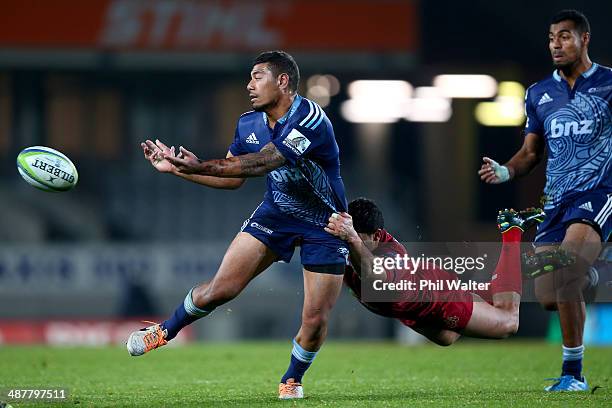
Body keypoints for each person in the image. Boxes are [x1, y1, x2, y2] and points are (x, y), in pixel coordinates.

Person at [126, 50, 349, 400]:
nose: (249, 85)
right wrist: (181, 169)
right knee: (220, 290)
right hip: (275, 214)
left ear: (283, 81)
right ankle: (164, 332)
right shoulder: (248, 123)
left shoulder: (309, 118)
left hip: (326, 223)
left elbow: (261, 163)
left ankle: (292, 378)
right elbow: (232, 179)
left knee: (315, 319)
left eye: (257, 76)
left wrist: (197, 165)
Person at [478, 10, 611, 391]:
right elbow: (531, 153)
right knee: (550, 296)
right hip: (555, 202)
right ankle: (590, 274)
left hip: (598, 195)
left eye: (565, 36)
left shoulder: (608, 85)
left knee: (566, 270)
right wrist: (505, 171)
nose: (556, 43)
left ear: (585, 39)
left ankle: (574, 374)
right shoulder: (538, 93)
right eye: (552, 37)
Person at [326, 198, 543, 346]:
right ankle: (520, 268)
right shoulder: (343, 241)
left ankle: (512, 231)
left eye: (356, 237)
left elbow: (374, 277)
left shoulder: (391, 254)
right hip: (416, 306)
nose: (349, 243)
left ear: (376, 236)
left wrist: (352, 238)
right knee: (447, 337)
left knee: (507, 322)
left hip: (439, 299)